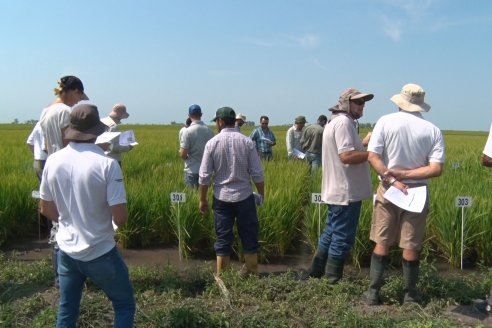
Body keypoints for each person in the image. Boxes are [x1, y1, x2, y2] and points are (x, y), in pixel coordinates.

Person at [40, 104, 135, 327]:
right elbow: (120, 218)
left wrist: (68, 222)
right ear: (96, 131)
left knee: (67, 308)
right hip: (100, 251)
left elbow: (45, 209)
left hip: (66, 252)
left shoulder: (53, 160)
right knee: (123, 304)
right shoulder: (107, 164)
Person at [363, 83, 445, 305]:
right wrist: (407, 174)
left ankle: (373, 293)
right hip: (416, 191)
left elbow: (373, 156)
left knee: (382, 240)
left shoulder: (385, 122)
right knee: (411, 244)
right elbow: (436, 168)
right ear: (420, 105)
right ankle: (410, 295)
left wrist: (392, 179)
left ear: (400, 101)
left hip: (389, 189)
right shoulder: (432, 130)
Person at [308, 88, 374, 283]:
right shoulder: (344, 123)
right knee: (342, 237)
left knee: (331, 232)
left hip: (337, 190)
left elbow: (346, 150)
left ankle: (316, 272)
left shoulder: (335, 122)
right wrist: (372, 154)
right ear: (346, 103)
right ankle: (332, 279)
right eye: (358, 102)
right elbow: (346, 156)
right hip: (346, 192)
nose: (362, 106)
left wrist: (363, 144)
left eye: (363, 103)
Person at [199, 107, 265, 275]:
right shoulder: (247, 142)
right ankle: (252, 273)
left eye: (216, 122)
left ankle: (223, 276)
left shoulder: (212, 143)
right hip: (245, 197)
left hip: (221, 198)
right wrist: (261, 194)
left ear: (220, 122)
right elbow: (257, 173)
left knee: (223, 237)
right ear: (233, 121)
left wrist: (202, 199)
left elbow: (204, 176)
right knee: (249, 235)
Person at [39, 75, 89, 288]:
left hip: (52, 168)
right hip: (67, 172)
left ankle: (61, 276)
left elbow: (44, 147)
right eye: (78, 96)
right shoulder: (66, 113)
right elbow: (71, 144)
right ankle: (68, 278)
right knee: (71, 224)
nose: (78, 101)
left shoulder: (46, 111)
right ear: (72, 91)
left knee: (58, 224)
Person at [179, 104, 214, 188]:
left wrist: (185, 157)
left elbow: (183, 154)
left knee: (191, 198)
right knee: (205, 197)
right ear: (201, 115)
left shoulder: (187, 131)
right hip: (206, 171)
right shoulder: (210, 131)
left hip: (192, 170)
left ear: (189, 115)